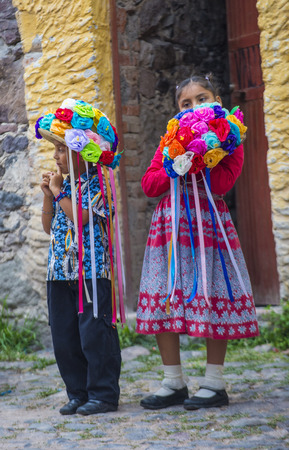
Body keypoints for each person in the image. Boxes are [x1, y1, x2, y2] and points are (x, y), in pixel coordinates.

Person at [136, 74, 259, 411]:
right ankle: (173, 381)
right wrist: (174, 167)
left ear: (217, 99)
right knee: (165, 292)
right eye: (185, 104)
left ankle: (214, 383)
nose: (194, 107)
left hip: (208, 223)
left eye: (202, 99)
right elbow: (149, 184)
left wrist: (208, 153)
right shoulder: (170, 139)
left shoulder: (230, 138)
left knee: (213, 291)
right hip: (171, 226)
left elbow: (221, 184)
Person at [38, 99, 122, 415]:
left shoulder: (100, 183)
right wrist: (50, 197)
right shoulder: (67, 185)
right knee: (65, 335)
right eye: (56, 149)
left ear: (82, 149)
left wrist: (60, 194)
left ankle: (103, 394)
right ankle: (77, 391)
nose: (56, 156)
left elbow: (82, 219)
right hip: (60, 271)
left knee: (94, 333)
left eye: (62, 148)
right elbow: (49, 227)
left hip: (91, 271)